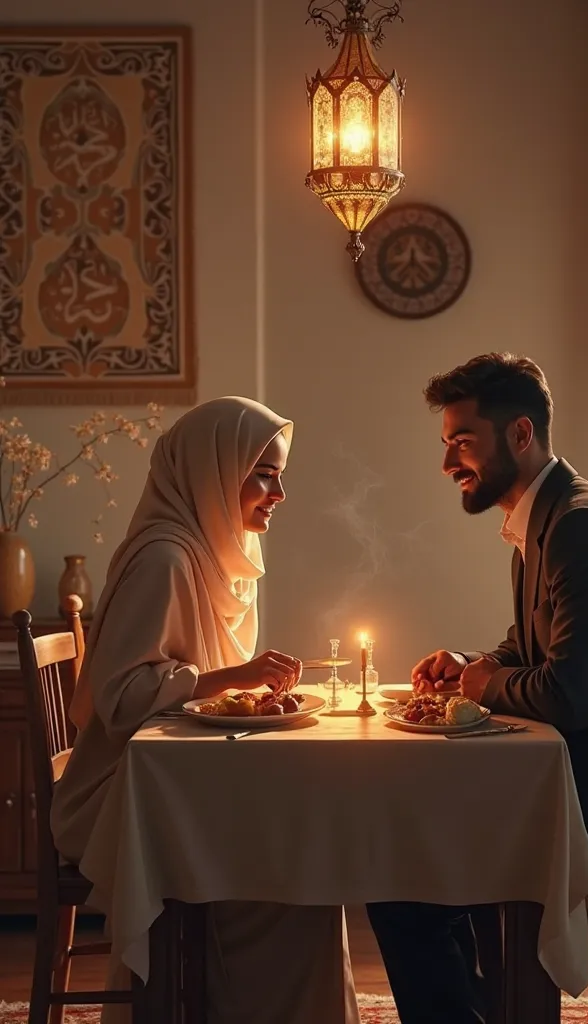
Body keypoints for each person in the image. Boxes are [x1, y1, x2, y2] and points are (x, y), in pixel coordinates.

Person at [367, 352, 588, 1024]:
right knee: (413, 860)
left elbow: (572, 695)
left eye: (462, 441)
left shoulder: (583, 528)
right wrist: (471, 662)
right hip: (580, 784)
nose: (449, 462)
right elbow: (536, 648)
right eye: (447, 443)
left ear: (519, 434)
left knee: (404, 885)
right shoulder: (547, 517)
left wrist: (483, 684)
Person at [52, 397, 361, 1024]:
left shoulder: (207, 553)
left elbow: (185, 689)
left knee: (299, 856)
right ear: (213, 471)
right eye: (264, 473)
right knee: (296, 881)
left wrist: (247, 692)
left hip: (172, 785)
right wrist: (235, 677)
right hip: (124, 799)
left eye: (279, 473)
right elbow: (120, 698)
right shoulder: (166, 559)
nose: (279, 491)